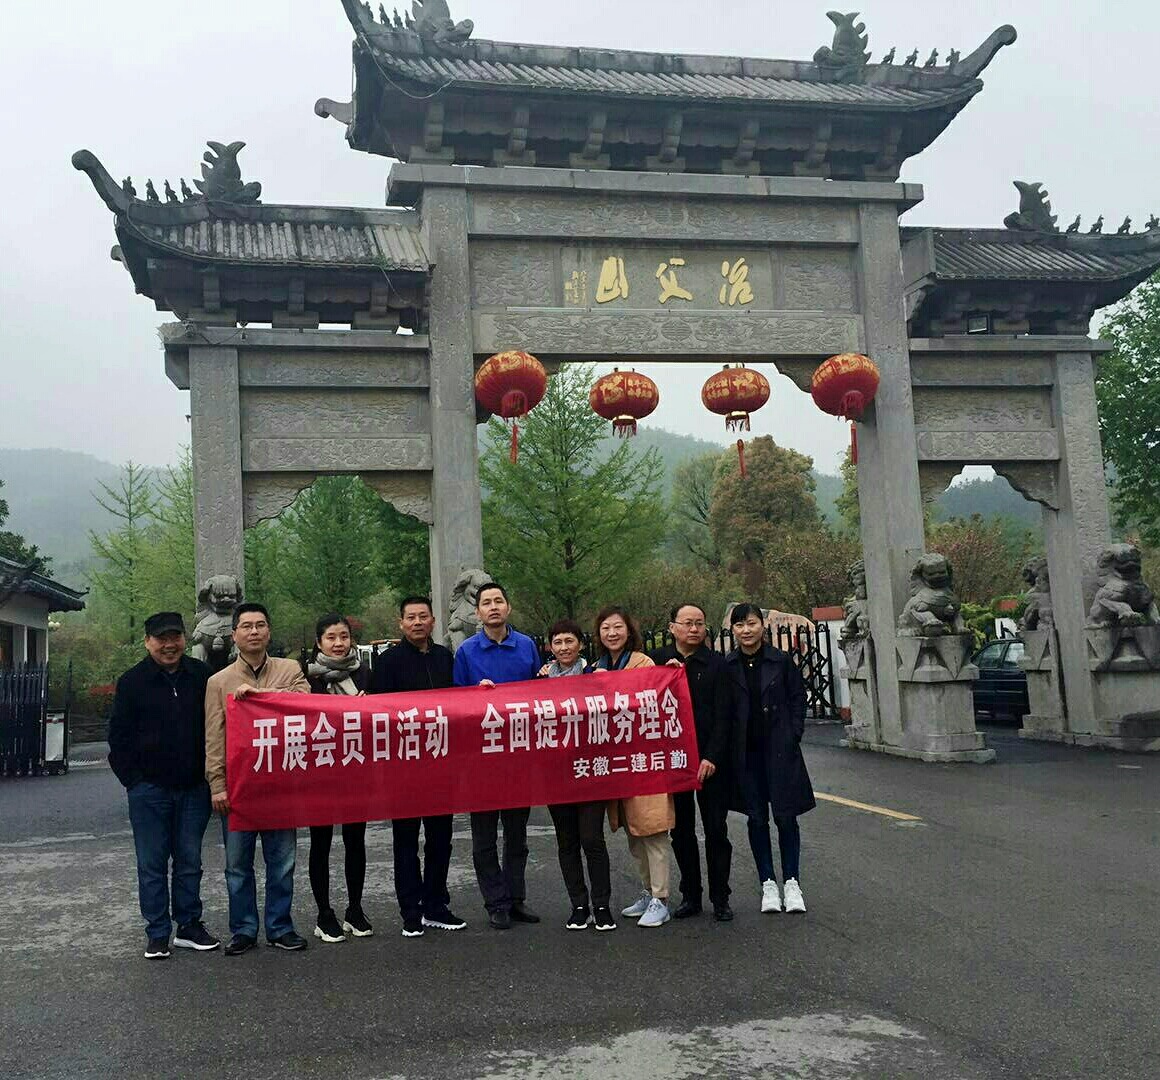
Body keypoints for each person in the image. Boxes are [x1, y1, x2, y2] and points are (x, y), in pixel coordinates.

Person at [108, 612, 220, 959]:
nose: (170, 645)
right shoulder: (132, 682)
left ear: (185, 638)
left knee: (189, 860)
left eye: (175, 637)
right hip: (149, 790)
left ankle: (188, 925)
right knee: (151, 863)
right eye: (161, 639)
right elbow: (118, 738)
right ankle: (157, 932)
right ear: (148, 642)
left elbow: (218, 725)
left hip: (193, 788)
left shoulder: (202, 676)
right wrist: (134, 782)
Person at [205, 602, 312, 955]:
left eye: (260, 625)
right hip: (239, 788)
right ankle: (244, 930)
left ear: (269, 631)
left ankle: (280, 927)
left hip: (281, 784)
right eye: (247, 626)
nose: (254, 631)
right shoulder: (218, 682)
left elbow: (305, 703)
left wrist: (263, 697)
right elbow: (214, 737)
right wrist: (217, 785)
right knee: (238, 866)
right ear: (234, 634)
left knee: (282, 863)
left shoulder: (289, 669)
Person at [370, 595, 467, 939]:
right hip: (403, 768)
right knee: (405, 841)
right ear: (401, 623)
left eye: (423, 616)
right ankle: (411, 911)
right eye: (410, 617)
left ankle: (436, 905)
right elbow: (376, 713)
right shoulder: (388, 662)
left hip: (441, 764)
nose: (417, 622)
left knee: (441, 839)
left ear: (433, 621)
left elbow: (461, 703)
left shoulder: (444, 657)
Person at [452, 582, 542, 930]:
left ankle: (516, 898)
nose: (493, 607)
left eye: (498, 601)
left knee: (517, 835)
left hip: (518, 756)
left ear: (508, 607)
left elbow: (539, 696)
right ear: (477, 612)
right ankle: (496, 901)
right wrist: (476, 695)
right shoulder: (466, 652)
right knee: (484, 838)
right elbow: (456, 704)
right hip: (481, 759)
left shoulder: (527, 646)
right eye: (486, 603)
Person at [724, 603, 814, 915]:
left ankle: (792, 881)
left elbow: (798, 698)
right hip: (746, 755)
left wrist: (793, 733)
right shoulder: (728, 666)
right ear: (733, 630)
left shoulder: (781, 661)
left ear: (762, 625)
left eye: (751, 623)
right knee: (756, 818)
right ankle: (768, 882)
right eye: (739, 625)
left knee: (786, 816)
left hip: (780, 751)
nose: (746, 630)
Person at [650, 603, 734, 922]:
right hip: (674, 761)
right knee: (681, 831)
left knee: (716, 831)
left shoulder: (717, 664)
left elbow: (725, 715)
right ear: (672, 627)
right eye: (687, 623)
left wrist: (712, 756)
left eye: (699, 623)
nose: (694, 629)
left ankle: (721, 897)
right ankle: (691, 896)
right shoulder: (657, 661)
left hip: (709, 761)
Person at [592, 606, 674, 929]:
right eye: (606, 628)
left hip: (645, 759)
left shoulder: (643, 662)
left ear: (629, 631)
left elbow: (647, 703)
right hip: (617, 762)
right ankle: (647, 891)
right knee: (633, 832)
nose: (612, 633)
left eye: (617, 627)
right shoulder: (596, 667)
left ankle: (661, 898)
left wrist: (610, 686)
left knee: (653, 829)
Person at [540, 619, 616, 932]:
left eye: (569, 641)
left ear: (581, 644)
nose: (564, 648)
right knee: (567, 841)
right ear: (550, 647)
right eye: (557, 642)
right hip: (556, 772)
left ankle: (602, 905)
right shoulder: (539, 680)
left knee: (592, 839)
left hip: (590, 769)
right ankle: (579, 905)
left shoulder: (596, 675)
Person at [301, 613, 372, 944]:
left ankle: (355, 909)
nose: (339, 643)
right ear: (319, 642)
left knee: (356, 840)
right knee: (321, 842)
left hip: (356, 768)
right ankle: (324, 914)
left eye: (344, 636)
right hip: (321, 770)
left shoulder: (365, 673)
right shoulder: (305, 678)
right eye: (331, 637)